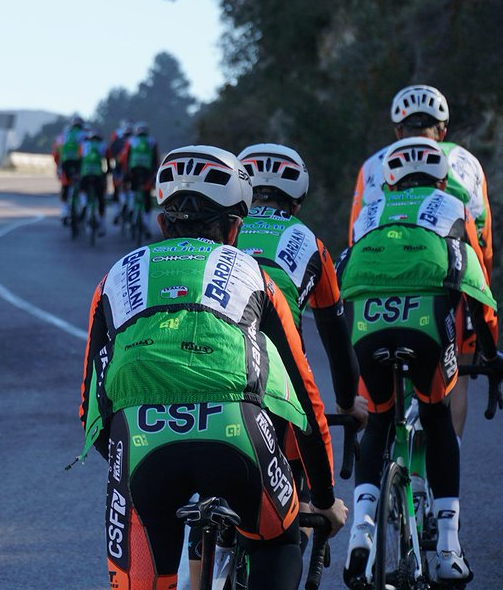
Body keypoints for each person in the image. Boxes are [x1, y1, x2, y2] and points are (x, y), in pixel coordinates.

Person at [78, 145, 346, 590]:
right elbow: (304, 391)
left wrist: (136, 459)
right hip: (238, 435)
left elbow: (91, 407)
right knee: (279, 542)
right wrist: (323, 497)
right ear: (236, 227)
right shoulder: (250, 272)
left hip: (139, 443)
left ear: (162, 222)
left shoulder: (116, 276)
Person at [339, 137, 503, 585]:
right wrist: (490, 352)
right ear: (441, 178)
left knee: (378, 421)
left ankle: (361, 532)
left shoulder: (369, 214)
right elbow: (476, 286)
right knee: (436, 419)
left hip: (365, 325)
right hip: (427, 327)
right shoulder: (453, 209)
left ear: (389, 179)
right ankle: (449, 547)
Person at [348, 84, 494, 437]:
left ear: (398, 129)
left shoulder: (374, 164)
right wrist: (481, 298)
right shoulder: (464, 161)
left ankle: (380, 465)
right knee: (455, 373)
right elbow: (483, 237)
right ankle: (447, 460)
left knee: (379, 391)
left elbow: (355, 232)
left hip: (376, 284)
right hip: (450, 282)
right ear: (442, 129)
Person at [236, 143, 367, 423]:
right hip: (281, 374)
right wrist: (346, 404)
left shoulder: (223, 228)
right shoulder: (310, 242)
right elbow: (336, 338)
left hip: (208, 364)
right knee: (305, 456)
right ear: (296, 204)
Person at [115, 122, 158, 235]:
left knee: (131, 190)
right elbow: (155, 158)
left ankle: (130, 209)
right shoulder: (152, 141)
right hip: (147, 171)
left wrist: (126, 172)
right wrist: (154, 172)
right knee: (147, 195)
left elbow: (126, 158)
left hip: (133, 170)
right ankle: (146, 223)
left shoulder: (131, 141)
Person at [53, 116, 87, 222]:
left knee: (65, 185)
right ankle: (83, 202)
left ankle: (64, 212)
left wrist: (58, 165)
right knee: (82, 184)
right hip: (79, 162)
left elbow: (56, 152)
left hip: (65, 162)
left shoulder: (63, 135)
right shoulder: (85, 134)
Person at [78, 130, 109, 232]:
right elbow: (107, 160)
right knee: (100, 198)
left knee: (82, 190)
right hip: (97, 174)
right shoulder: (103, 145)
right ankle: (102, 223)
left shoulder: (83, 145)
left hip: (85, 173)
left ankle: (83, 204)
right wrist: (107, 172)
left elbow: (79, 159)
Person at [108, 119, 133, 206]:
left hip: (120, 164)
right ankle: (127, 203)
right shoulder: (135, 139)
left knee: (118, 185)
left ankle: (121, 204)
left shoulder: (117, 135)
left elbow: (111, 150)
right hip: (129, 166)